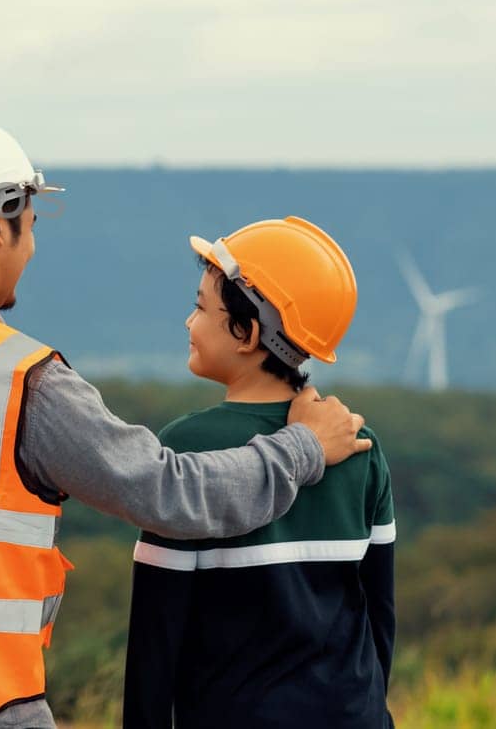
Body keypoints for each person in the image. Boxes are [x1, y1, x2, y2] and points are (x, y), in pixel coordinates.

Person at [0, 118, 372, 728]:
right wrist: (303, 447)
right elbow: (170, 493)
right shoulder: (25, 383)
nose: (32, 246)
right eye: (31, 226)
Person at [123, 218, 395, 729]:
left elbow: (157, 637)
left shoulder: (187, 448)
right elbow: (379, 614)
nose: (189, 322)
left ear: (246, 333)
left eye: (201, 308)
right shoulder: (361, 444)